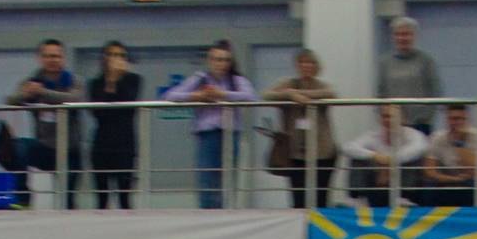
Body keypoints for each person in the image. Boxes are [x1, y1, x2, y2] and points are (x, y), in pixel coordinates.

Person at [159, 42, 257, 210]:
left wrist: (222, 95)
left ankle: (227, 211)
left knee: (228, 180)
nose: (221, 64)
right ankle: (208, 213)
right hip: (207, 135)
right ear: (209, 60)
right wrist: (196, 96)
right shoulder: (200, 78)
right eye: (217, 59)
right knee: (206, 179)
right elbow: (169, 96)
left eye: (225, 60)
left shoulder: (237, 80)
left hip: (230, 134)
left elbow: (250, 96)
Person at [4, 38, 80, 205]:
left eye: (56, 56)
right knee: (19, 146)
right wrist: (25, 95)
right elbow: (10, 100)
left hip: (70, 150)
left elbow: (76, 99)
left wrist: (43, 93)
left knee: (68, 199)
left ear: (63, 58)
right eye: (48, 56)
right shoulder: (31, 82)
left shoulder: (74, 81)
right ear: (40, 58)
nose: (52, 60)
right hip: (44, 148)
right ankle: (23, 199)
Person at [263, 49, 339, 210]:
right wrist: (290, 95)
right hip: (295, 153)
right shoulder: (288, 83)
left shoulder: (322, 85)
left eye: (310, 62)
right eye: (303, 62)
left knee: (321, 199)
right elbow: (266, 95)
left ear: (316, 66)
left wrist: (302, 95)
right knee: (298, 200)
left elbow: (332, 94)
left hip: (323, 152)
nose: (306, 66)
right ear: (297, 65)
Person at [83, 41, 141, 210]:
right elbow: (98, 113)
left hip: (125, 144)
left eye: (121, 55)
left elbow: (129, 104)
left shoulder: (134, 80)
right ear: (104, 58)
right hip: (102, 144)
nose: (117, 59)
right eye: (113, 55)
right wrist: (110, 81)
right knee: (102, 197)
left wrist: (117, 80)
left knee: (125, 196)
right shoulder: (95, 83)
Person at [340, 105, 427, 208]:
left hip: (400, 177)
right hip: (378, 179)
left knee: (413, 160)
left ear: (402, 119)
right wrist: (374, 155)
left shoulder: (413, 134)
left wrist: (390, 162)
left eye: (391, 116)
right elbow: (348, 147)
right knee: (357, 158)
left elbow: (419, 148)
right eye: (384, 116)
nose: (387, 120)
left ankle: (403, 198)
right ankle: (357, 199)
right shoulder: (373, 135)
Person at [412, 103, 477, 208]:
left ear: (467, 119)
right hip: (446, 181)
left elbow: (473, 171)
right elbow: (429, 171)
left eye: (461, 119)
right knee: (427, 187)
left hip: (472, 183)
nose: (457, 122)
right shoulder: (437, 138)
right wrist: (452, 179)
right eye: (453, 119)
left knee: (469, 185)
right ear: (447, 120)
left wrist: (460, 142)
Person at [379, 16, 443, 131]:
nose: (402, 38)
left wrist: (425, 118)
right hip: (393, 125)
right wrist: (386, 117)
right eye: (398, 34)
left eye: (406, 34)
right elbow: (380, 93)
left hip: (421, 124)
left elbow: (435, 91)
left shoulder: (426, 60)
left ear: (414, 36)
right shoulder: (385, 63)